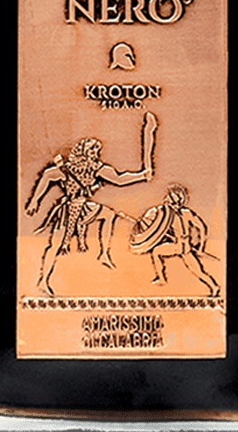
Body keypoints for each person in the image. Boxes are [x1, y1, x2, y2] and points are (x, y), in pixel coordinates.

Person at [25, 111, 157, 295]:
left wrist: (141, 175)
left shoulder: (96, 168)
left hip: (84, 207)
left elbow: (119, 179)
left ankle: (103, 253)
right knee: (55, 245)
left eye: (97, 151)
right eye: (93, 151)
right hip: (69, 209)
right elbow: (47, 176)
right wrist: (34, 200)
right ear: (84, 153)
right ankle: (43, 281)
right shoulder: (68, 169)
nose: (96, 154)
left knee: (108, 215)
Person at [130, 183, 220, 296]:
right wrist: (201, 246)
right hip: (184, 246)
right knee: (198, 271)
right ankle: (214, 286)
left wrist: (201, 247)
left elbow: (201, 228)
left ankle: (162, 278)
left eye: (169, 197)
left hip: (179, 246)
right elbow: (201, 228)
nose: (166, 199)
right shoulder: (185, 213)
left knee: (156, 252)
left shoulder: (170, 215)